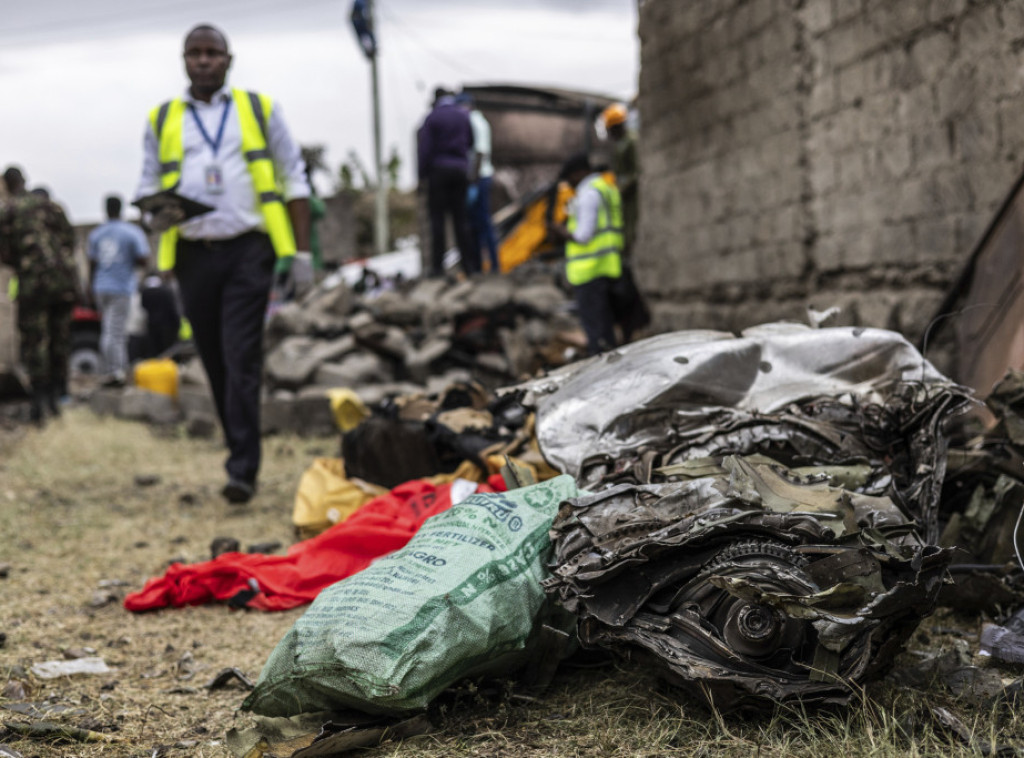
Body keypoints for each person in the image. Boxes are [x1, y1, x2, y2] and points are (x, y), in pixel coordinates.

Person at [135, 24, 311, 504]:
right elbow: (146, 185)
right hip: (193, 255)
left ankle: (243, 470)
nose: (204, 61)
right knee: (213, 359)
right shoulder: (163, 118)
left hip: (248, 252)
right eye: (195, 53)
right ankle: (237, 449)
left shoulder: (259, 109)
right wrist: (156, 209)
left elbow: (294, 178)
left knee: (240, 356)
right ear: (184, 60)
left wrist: (301, 254)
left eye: (213, 53)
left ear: (229, 60)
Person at [0, 167, 78, 422]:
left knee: (36, 341)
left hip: (33, 284)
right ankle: (59, 396)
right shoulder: (52, 206)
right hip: (63, 282)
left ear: (7, 185)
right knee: (60, 337)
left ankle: (39, 402)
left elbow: (4, 252)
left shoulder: (9, 210)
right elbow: (70, 240)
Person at [548, 153, 623, 357]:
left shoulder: (588, 194)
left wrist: (560, 231)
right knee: (605, 326)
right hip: (605, 265)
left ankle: (600, 368)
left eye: (571, 178)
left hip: (589, 270)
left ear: (580, 173)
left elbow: (583, 235)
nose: (570, 183)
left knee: (595, 331)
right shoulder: (604, 188)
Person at [87, 195, 151, 386]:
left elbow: (92, 263)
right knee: (115, 331)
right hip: (120, 287)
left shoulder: (97, 233)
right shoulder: (131, 232)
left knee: (109, 329)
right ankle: (115, 372)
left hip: (100, 287)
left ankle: (114, 369)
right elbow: (143, 259)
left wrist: (89, 288)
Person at [417, 87, 474, 277]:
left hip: (439, 172)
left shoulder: (432, 118)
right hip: (460, 171)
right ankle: (468, 267)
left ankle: (437, 269)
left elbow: (424, 150)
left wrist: (422, 176)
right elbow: (471, 143)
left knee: (438, 222)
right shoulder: (463, 116)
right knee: (461, 221)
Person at [456, 92, 500, 274]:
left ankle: (493, 266)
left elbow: (480, 153)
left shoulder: (474, 121)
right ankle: (481, 267)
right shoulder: (477, 120)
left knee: (483, 224)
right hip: (479, 177)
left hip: (479, 177)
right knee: (476, 225)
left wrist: (472, 182)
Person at [600, 103, 638, 257]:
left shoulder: (631, 142)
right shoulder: (619, 145)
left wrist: (622, 187)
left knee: (630, 230)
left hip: (632, 196)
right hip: (622, 197)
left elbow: (637, 172)